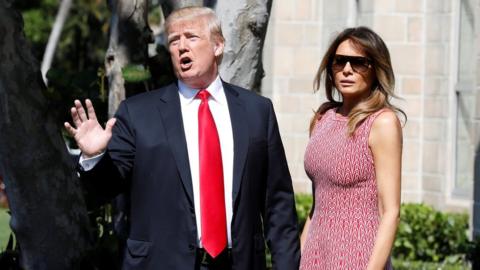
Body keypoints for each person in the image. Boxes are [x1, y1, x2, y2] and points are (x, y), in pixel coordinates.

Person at [64, 6, 300, 270]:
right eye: (174, 40)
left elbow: (278, 204)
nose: (181, 47)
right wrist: (95, 157)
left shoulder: (257, 111)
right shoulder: (139, 113)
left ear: (218, 46)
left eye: (192, 37)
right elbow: (100, 192)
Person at [299, 26, 404, 270]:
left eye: (359, 63)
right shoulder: (322, 118)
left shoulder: (382, 122)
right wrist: (298, 259)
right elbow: (317, 206)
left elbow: (391, 213)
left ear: (376, 69)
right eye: (339, 61)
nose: (347, 70)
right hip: (314, 256)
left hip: (358, 258)